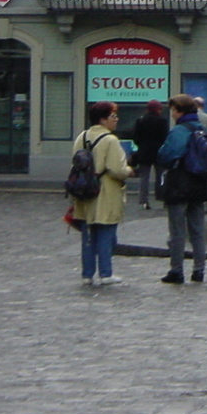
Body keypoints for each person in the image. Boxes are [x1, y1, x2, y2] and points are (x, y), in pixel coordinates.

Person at [73, 101, 131, 286]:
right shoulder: (110, 140)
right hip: (105, 191)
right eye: (113, 116)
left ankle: (87, 274)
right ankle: (106, 273)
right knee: (106, 234)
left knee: (88, 236)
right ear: (103, 119)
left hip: (84, 191)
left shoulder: (81, 137)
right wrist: (128, 170)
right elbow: (116, 169)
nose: (116, 120)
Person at [158, 94, 207, 285]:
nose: (172, 113)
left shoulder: (179, 131)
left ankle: (176, 270)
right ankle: (199, 270)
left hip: (180, 184)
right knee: (198, 230)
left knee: (177, 231)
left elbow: (167, 155)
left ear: (179, 111)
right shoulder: (202, 128)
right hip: (200, 184)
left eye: (173, 110)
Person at [129, 99, 169, 210]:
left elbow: (135, 137)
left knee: (144, 177)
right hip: (159, 152)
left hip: (144, 152)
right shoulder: (163, 121)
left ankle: (143, 201)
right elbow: (165, 137)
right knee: (160, 177)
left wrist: (141, 145)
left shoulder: (141, 120)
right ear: (158, 109)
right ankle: (163, 199)